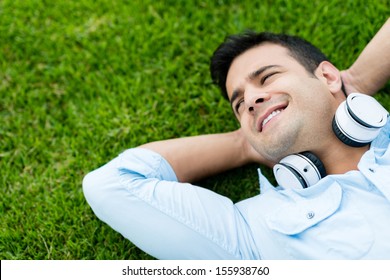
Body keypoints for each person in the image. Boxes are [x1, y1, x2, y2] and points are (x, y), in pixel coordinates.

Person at [82, 19, 390, 259]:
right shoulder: (255, 234)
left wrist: (356, 82)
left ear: (327, 76)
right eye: (239, 105)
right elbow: (113, 185)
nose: (252, 100)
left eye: (267, 77)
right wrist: (245, 144)